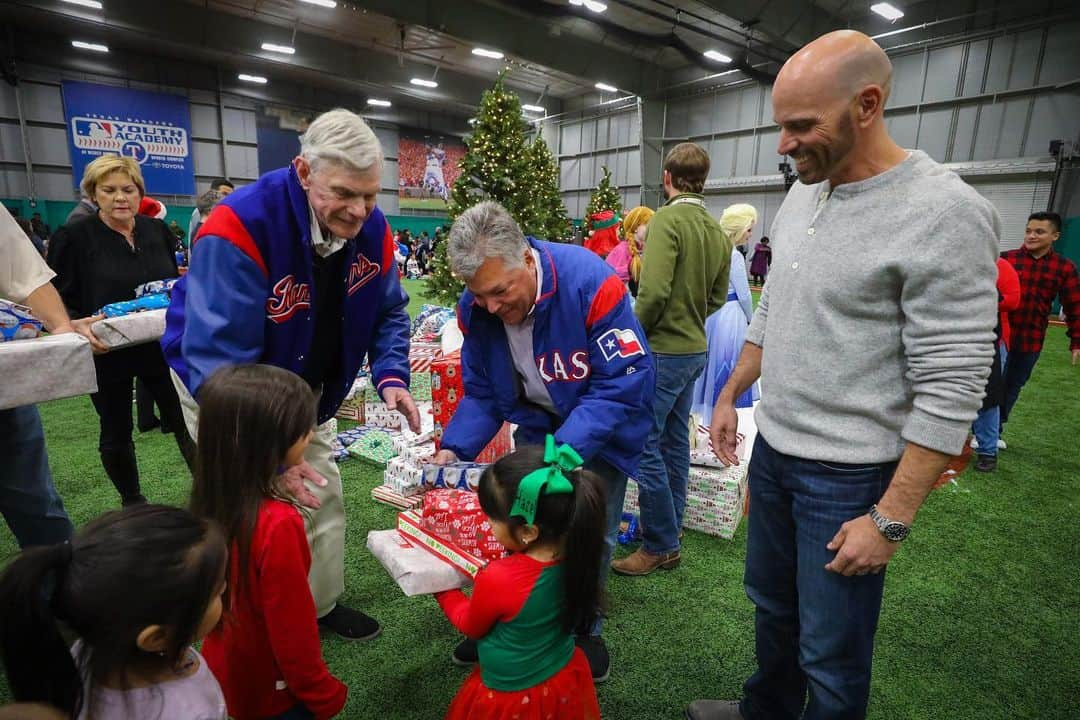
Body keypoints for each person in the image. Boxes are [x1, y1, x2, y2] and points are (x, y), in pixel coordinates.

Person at [686, 30, 999, 720]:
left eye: (801, 126)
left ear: (867, 104)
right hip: (775, 453)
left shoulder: (944, 213)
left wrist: (890, 520)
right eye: (781, 126)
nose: (784, 144)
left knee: (832, 652)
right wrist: (733, 394)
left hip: (850, 477)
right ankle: (764, 709)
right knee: (772, 609)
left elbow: (955, 383)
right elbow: (774, 316)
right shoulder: (808, 194)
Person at [162, 108, 418, 641]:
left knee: (321, 494)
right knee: (250, 504)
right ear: (304, 172)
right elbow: (218, 362)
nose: (358, 211)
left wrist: (392, 374)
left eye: (370, 195)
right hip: (227, 388)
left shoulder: (373, 228)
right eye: (344, 193)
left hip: (305, 386)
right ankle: (241, 619)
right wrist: (268, 457)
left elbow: (390, 310)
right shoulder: (238, 225)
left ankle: (317, 609)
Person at [432, 200, 654, 682]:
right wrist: (456, 447)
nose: (491, 307)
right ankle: (518, 617)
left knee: (590, 529)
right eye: (479, 296)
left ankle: (583, 627)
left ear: (525, 260)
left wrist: (564, 453)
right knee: (524, 520)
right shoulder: (478, 308)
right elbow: (485, 390)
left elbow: (623, 380)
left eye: (499, 291)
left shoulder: (591, 281)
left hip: (602, 430)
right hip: (536, 422)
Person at [191, 364, 347, 720]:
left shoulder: (213, 499)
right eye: (301, 429)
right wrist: (319, 691)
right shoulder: (277, 523)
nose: (310, 433)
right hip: (276, 689)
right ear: (267, 442)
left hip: (228, 670)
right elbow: (292, 627)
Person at [47, 154, 195, 507]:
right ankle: (133, 503)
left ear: (139, 192)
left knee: (185, 419)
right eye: (108, 190)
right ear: (93, 194)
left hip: (161, 346)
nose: (119, 198)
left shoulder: (156, 230)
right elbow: (56, 296)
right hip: (105, 350)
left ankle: (212, 493)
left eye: (127, 189)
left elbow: (171, 286)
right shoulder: (74, 237)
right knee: (115, 429)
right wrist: (72, 326)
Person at [612, 143, 731, 577]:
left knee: (644, 445)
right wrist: (690, 317)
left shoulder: (666, 221)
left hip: (663, 349)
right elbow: (718, 295)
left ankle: (660, 541)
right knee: (673, 443)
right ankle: (670, 532)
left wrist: (634, 335)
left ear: (667, 178)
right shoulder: (715, 230)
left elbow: (654, 291)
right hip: (694, 347)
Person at [0, 504, 229, 720]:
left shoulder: (83, 654)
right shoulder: (190, 710)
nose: (226, 587)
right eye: (218, 591)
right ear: (156, 638)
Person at [434, 440, 604, 720]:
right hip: (560, 674)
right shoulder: (578, 550)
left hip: (510, 694)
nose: (486, 525)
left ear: (528, 532)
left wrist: (442, 588)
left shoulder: (499, 578)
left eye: (491, 520)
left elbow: (471, 626)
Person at [0, 206, 105, 548]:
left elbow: (21, 269)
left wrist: (62, 331)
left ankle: (61, 593)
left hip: (6, 392)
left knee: (38, 508)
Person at [999, 211, 1080, 441]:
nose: (1031, 236)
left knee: (1013, 386)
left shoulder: (1064, 268)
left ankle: (995, 430)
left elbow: (1074, 305)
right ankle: (983, 432)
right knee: (991, 386)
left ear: (1055, 236)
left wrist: (1076, 341)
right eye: (1028, 231)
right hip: (998, 337)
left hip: (1031, 340)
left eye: (1039, 232)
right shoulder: (1005, 259)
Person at [691, 203, 760, 420]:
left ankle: (706, 419)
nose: (750, 235)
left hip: (710, 315)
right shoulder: (734, 256)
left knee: (710, 365)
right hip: (730, 315)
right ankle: (720, 417)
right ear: (738, 229)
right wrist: (752, 319)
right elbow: (745, 295)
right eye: (749, 229)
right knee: (727, 366)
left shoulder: (708, 250)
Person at [971, 258, 1020, 472]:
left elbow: (1010, 301)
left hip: (986, 340)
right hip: (948, 337)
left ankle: (987, 451)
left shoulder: (998, 265)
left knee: (988, 396)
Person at [604, 206, 654, 297]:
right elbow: (617, 288)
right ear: (636, 227)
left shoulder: (644, 250)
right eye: (647, 224)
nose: (652, 228)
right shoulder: (622, 251)